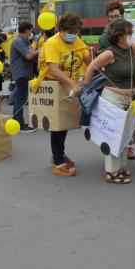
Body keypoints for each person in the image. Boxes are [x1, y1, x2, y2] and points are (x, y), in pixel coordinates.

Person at [85, 19, 135, 184]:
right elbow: (91, 68)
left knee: (124, 135)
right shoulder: (110, 52)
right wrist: (86, 90)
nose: (132, 35)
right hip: (113, 98)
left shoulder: (131, 50)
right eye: (128, 33)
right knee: (112, 135)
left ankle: (120, 167)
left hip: (129, 99)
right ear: (119, 36)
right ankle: (111, 172)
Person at [40, 13, 91, 177]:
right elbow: (53, 69)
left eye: (76, 31)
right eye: (70, 31)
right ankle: (57, 160)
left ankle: (58, 154)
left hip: (69, 84)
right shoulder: (52, 43)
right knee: (57, 124)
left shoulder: (76, 40)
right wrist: (72, 83)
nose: (73, 35)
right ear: (61, 29)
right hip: (55, 85)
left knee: (65, 122)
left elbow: (87, 57)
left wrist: (99, 63)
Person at [10, 21, 36, 132]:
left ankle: (16, 121)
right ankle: (20, 124)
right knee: (21, 98)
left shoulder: (23, 41)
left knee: (19, 98)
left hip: (23, 72)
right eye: (31, 30)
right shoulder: (19, 41)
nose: (32, 32)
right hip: (22, 72)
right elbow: (29, 56)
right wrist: (40, 50)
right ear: (26, 30)